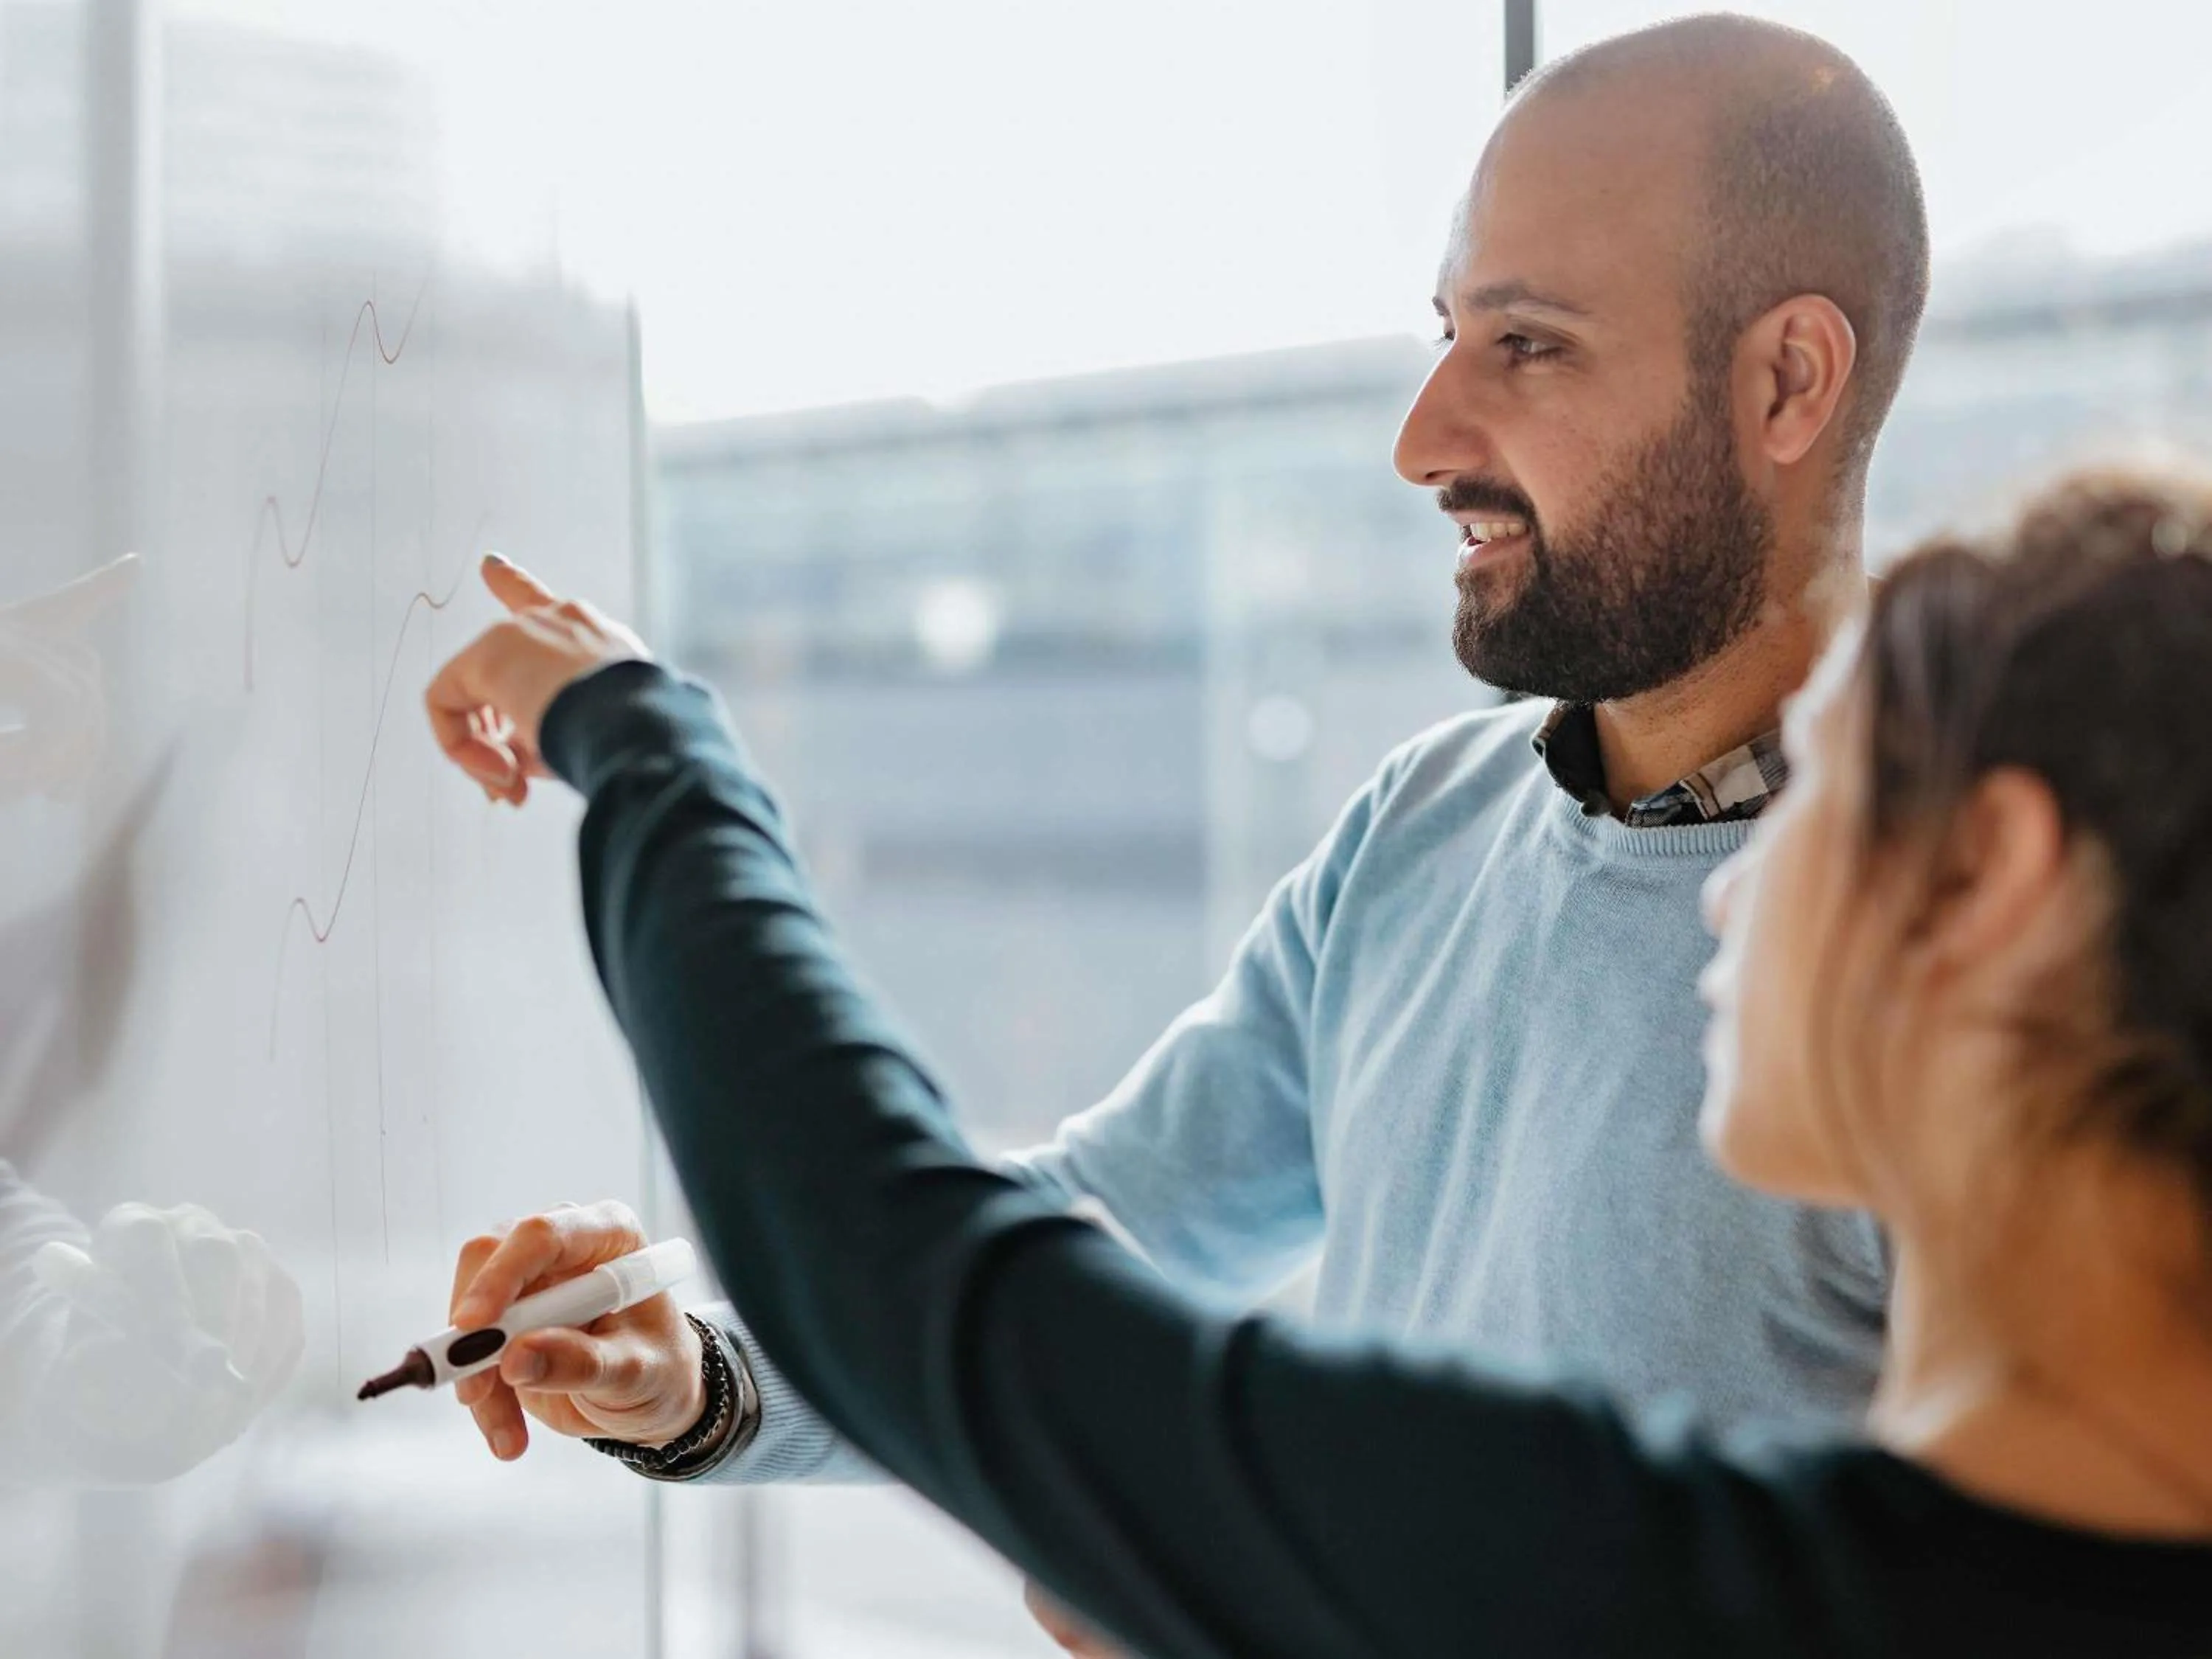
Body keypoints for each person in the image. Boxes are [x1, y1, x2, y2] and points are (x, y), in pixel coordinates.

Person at [442, 18, 1931, 1573]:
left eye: (1529, 344)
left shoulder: (2009, 981)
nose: (1423, 440)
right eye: (1444, 332)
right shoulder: (1427, 828)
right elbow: (1104, 1225)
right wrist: (709, 1379)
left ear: (1786, 382)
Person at [426, 465, 2212, 1655]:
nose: (1727, 898)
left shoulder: (1644, 1579)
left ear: (1988, 877)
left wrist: (646, 750)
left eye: (1831, 774)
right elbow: (1075, 1228)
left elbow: (915, 1277)